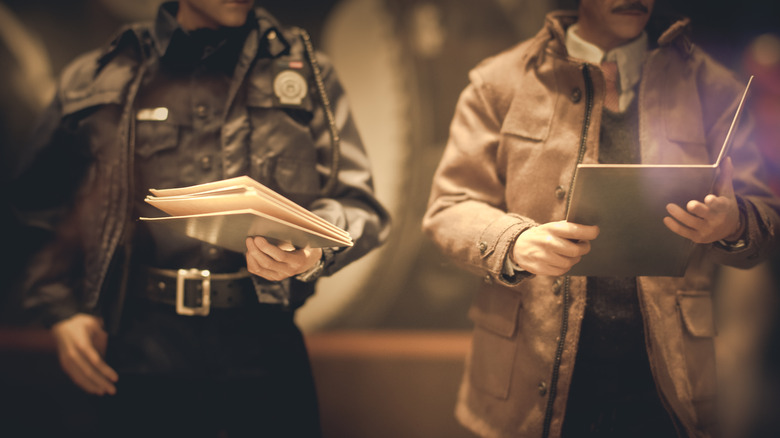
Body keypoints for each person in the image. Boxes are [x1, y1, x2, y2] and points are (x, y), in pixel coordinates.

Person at [9, 1, 389, 436]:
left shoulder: (307, 76)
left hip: (264, 342)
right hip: (140, 343)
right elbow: (35, 204)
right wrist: (60, 309)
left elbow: (359, 205)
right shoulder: (101, 75)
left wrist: (312, 249)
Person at [422, 0, 780, 437]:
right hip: (522, 385)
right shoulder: (498, 82)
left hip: (669, 386)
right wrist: (514, 241)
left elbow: (766, 219)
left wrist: (734, 222)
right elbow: (449, 207)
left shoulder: (715, 88)